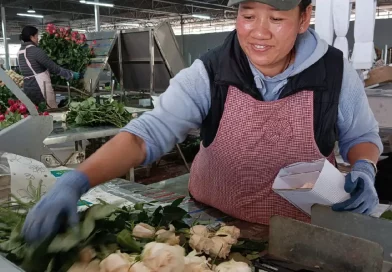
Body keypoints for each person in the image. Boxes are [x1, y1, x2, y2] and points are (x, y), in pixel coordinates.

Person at [22, 0, 383, 243]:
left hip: (303, 235)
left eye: (276, 19)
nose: (258, 32)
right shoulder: (210, 71)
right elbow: (147, 134)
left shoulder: (336, 72)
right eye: (247, 15)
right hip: (211, 226)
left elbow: (361, 136)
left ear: (303, 19)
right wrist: (77, 180)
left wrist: (364, 167)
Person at [18, 26, 80, 108]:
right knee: (50, 112)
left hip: (28, 87)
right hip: (40, 87)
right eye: (37, 36)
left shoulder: (20, 52)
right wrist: (70, 74)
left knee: (36, 112)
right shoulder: (35, 51)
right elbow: (54, 68)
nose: (38, 39)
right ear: (31, 37)